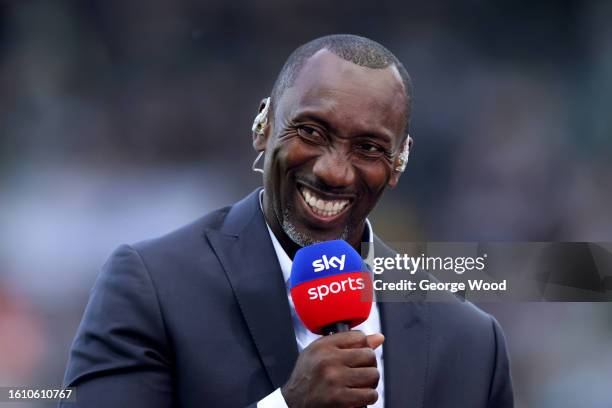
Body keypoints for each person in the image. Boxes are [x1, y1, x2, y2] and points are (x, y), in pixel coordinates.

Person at [61, 34, 513, 407]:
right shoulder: (151, 288)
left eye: (370, 148)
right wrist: (288, 404)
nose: (334, 172)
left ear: (399, 162)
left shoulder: (470, 343)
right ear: (264, 125)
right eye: (312, 132)